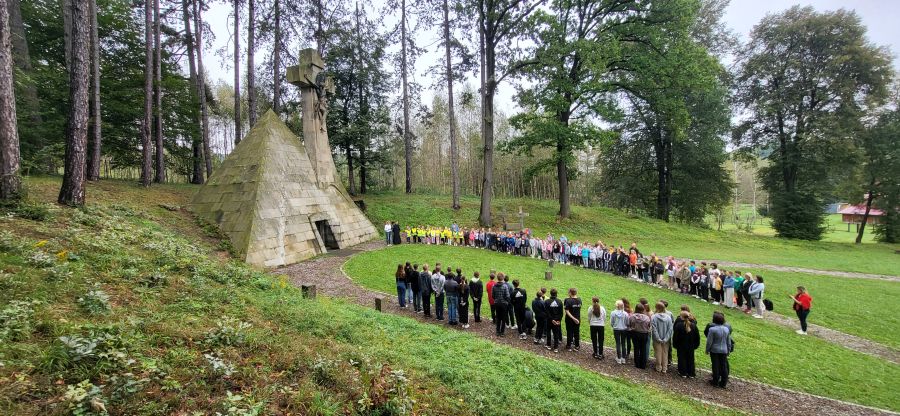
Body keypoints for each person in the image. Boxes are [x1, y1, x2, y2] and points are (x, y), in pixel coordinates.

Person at [705, 311, 733, 388]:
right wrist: (728, 350)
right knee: (723, 366)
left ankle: (715, 381)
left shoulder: (712, 329)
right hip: (724, 350)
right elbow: (728, 341)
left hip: (714, 350)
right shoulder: (726, 329)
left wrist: (707, 349)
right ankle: (723, 383)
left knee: (715, 365)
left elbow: (709, 342)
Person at [672, 310, 700, 378]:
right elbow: (697, 337)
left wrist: (675, 344)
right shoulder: (693, 325)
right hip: (691, 346)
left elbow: (675, 336)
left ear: (681, 317)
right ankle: (691, 373)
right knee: (690, 359)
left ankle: (683, 372)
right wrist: (696, 345)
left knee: (681, 358)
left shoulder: (678, 325)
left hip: (681, 346)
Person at [651, 302, 674, 373]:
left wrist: (658, 338)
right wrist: (666, 338)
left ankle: (658, 367)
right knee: (665, 352)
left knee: (658, 352)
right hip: (666, 339)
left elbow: (654, 329)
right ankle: (664, 368)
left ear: (657, 308)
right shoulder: (668, 317)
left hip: (656, 339)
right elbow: (670, 329)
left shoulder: (654, 317)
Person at [628, 303, 651, 369]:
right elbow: (649, 325)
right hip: (644, 334)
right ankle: (643, 365)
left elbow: (630, 324)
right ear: (643, 309)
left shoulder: (632, 317)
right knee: (643, 349)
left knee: (636, 348)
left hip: (635, 334)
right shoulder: (646, 317)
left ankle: (637, 364)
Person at [545, 288, 564, 353]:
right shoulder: (559, 301)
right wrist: (559, 320)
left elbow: (547, 312)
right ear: (556, 294)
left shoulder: (547, 301)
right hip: (557, 321)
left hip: (549, 320)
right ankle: (556, 347)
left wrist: (552, 320)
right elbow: (561, 313)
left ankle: (548, 345)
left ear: (550, 293)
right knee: (556, 333)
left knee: (548, 332)